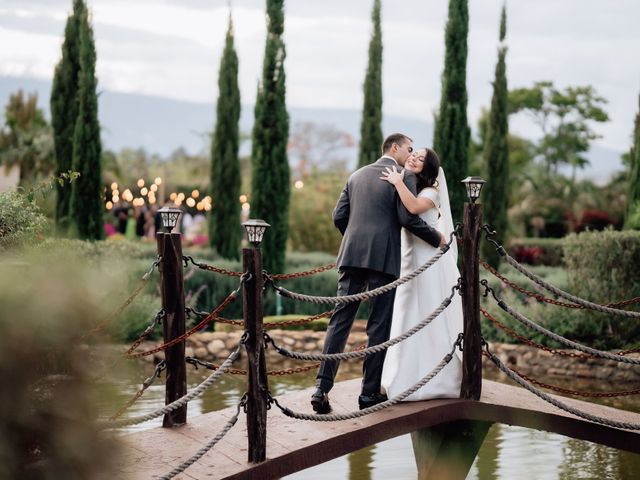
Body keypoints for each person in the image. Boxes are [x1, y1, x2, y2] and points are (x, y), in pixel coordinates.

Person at [311, 133, 445, 414]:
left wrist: (356, 239)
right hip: (383, 258)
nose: (411, 155)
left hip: (351, 255)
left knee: (340, 322)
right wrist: (437, 239)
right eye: (409, 149)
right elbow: (407, 218)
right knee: (378, 327)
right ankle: (368, 393)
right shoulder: (403, 175)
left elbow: (339, 216)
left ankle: (321, 389)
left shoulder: (356, 175)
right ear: (394, 148)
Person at [379, 148, 463, 400]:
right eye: (414, 153)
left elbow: (414, 208)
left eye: (421, 158)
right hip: (409, 259)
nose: (414, 157)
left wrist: (396, 181)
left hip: (426, 261)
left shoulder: (430, 192)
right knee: (406, 316)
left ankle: (434, 380)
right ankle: (401, 377)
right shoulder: (413, 185)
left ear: (428, 167)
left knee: (426, 314)